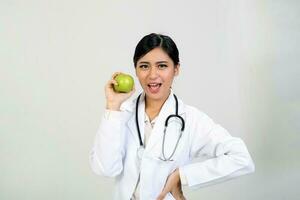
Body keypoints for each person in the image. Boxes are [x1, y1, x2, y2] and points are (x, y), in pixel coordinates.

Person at [89, 33, 255, 200]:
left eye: (162, 66)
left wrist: (183, 175)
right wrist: (112, 106)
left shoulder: (191, 119)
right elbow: (105, 169)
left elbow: (242, 159)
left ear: (176, 69)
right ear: (136, 70)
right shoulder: (121, 114)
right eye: (144, 66)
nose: (152, 75)